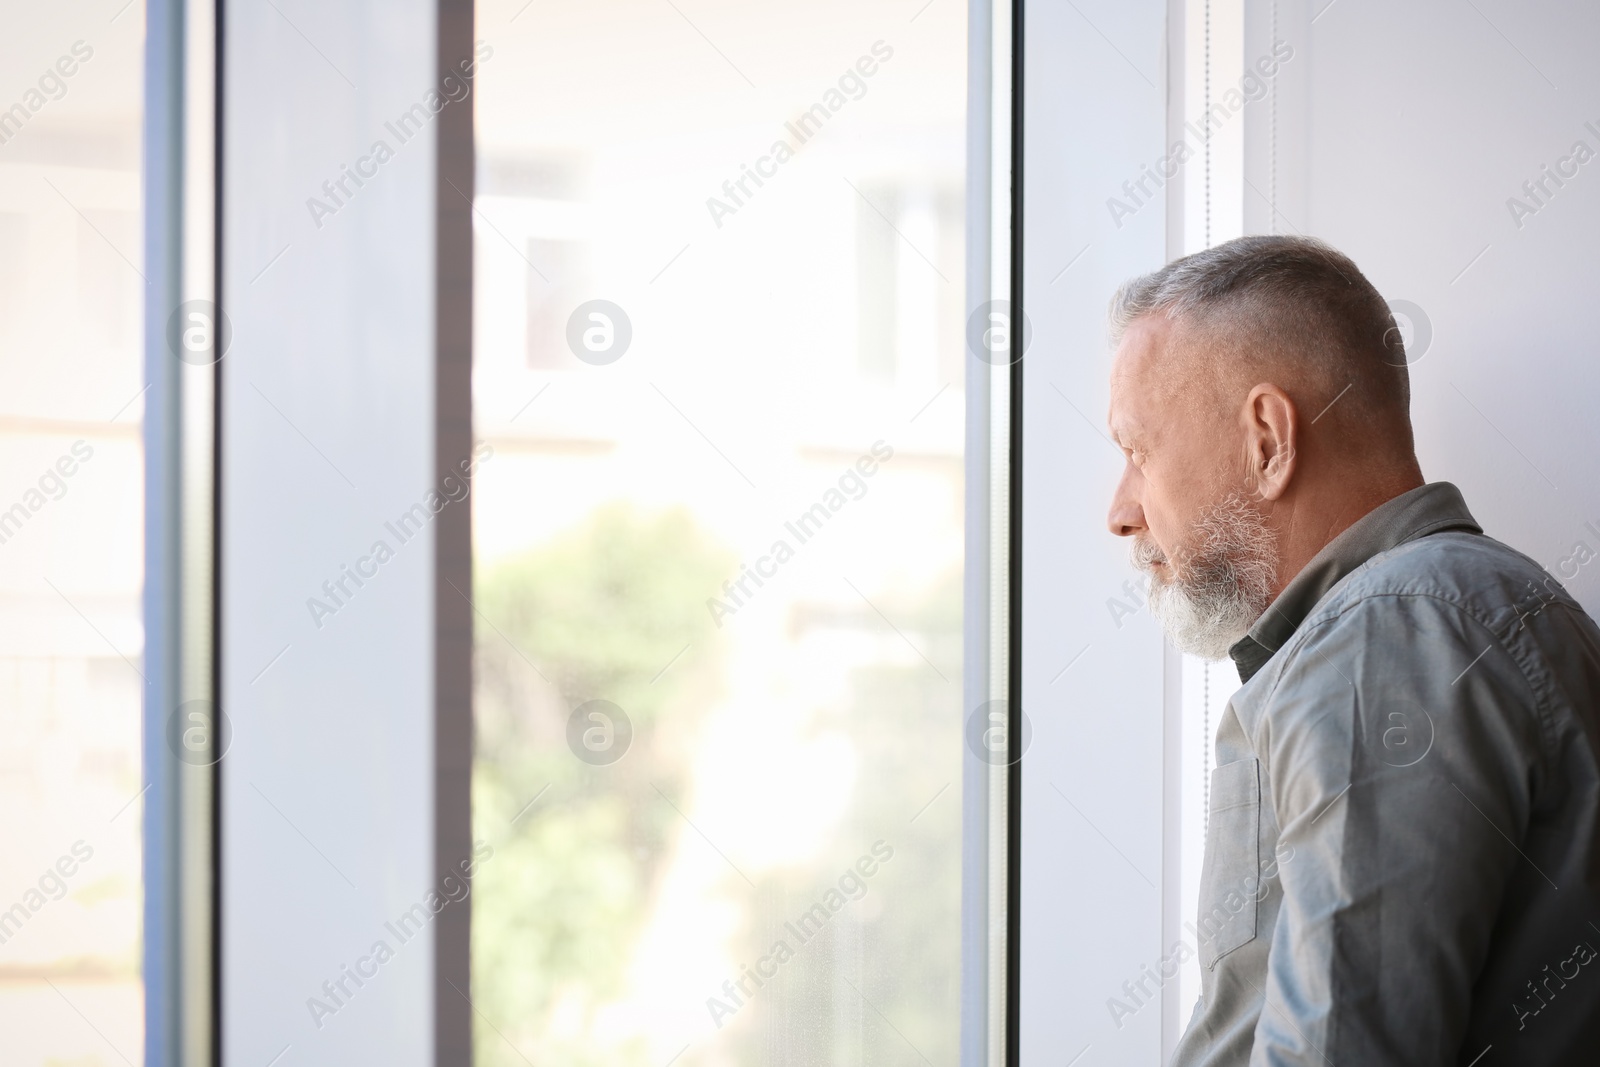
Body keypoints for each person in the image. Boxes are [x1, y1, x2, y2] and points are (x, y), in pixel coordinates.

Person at [1104, 234, 1600, 1065]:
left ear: (1268, 439)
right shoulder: (1437, 614)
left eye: (1136, 451)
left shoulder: (1390, 633)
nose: (1121, 510)